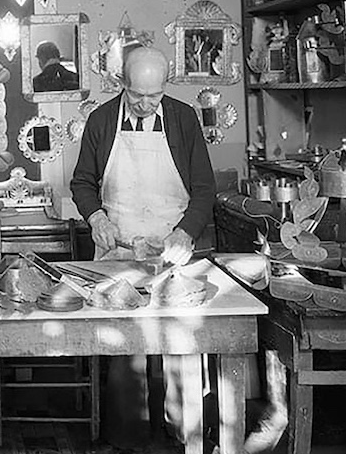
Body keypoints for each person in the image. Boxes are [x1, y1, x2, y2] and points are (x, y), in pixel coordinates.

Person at [69, 45, 215, 451]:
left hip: (173, 247)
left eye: (157, 95)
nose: (149, 104)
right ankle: (127, 436)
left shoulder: (183, 119)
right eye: (139, 97)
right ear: (121, 84)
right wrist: (96, 218)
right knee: (124, 344)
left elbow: (205, 189)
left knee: (182, 341)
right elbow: (82, 182)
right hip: (120, 247)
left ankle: (185, 432)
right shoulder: (101, 120)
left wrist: (186, 231)